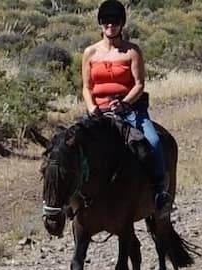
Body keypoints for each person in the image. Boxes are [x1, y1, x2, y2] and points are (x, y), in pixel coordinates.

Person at [82, 0, 171, 215]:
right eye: (105, 21)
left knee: (154, 141)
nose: (109, 26)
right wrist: (91, 106)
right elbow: (86, 87)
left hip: (129, 110)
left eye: (114, 21)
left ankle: (160, 191)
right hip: (98, 111)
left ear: (122, 24)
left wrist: (124, 103)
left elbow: (139, 84)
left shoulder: (132, 52)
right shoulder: (90, 53)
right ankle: (70, 200)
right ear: (100, 24)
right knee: (70, 147)